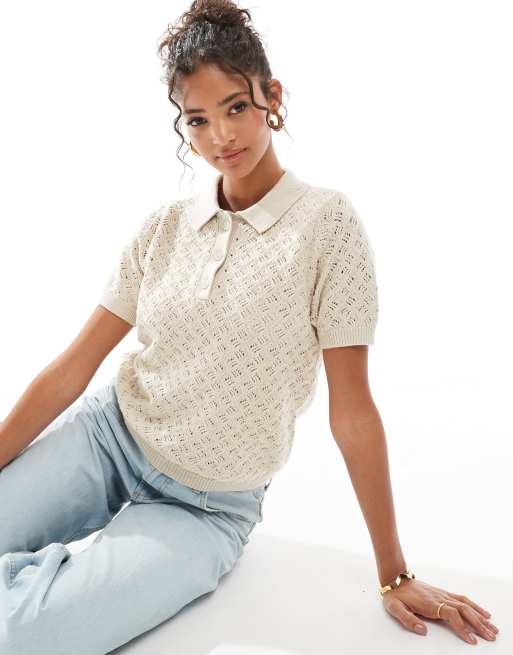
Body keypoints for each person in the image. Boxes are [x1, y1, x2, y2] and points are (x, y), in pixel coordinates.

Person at [0, 1, 499, 653]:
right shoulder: (165, 226)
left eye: (236, 107)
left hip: (204, 507)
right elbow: (74, 366)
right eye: (197, 119)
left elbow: (352, 411)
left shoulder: (326, 227)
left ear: (272, 97)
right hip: (108, 439)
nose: (220, 137)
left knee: (26, 634)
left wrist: (393, 573)